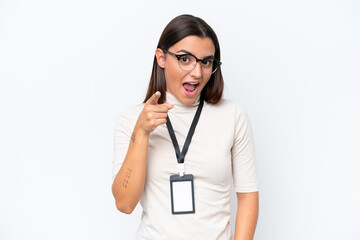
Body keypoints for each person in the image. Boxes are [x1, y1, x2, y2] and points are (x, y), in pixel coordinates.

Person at [112, 14, 259, 240]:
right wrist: (141, 133)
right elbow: (124, 203)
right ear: (161, 58)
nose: (197, 73)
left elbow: (248, 196)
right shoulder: (132, 119)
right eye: (185, 59)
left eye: (206, 62)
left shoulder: (232, 115)